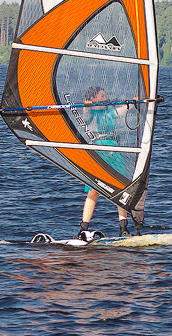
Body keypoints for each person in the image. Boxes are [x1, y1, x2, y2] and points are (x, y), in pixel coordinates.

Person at [76, 85, 132, 241]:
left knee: (121, 188)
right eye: (102, 95)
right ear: (93, 98)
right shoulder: (90, 112)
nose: (105, 96)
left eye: (105, 94)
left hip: (114, 151)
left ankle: (123, 228)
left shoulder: (109, 112)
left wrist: (133, 103)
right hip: (98, 152)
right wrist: (88, 104)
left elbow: (122, 111)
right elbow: (85, 115)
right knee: (93, 190)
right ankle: (83, 229)